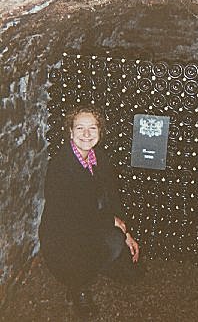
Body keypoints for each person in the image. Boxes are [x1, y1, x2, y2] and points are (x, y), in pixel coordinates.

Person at [39, 105, 141, 316]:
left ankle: (94, 266)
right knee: (100, 244)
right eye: (79, 128)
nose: (86, 134)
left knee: (130, 270)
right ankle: (77, 288)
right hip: (64, 237)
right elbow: (73, 217)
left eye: (92, 128)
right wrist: (113, 223)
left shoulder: (100, 159)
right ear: (70, 132)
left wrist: (126, 231)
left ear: (100, 132)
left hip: (94, 224)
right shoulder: (60, 167)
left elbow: (113, 199)